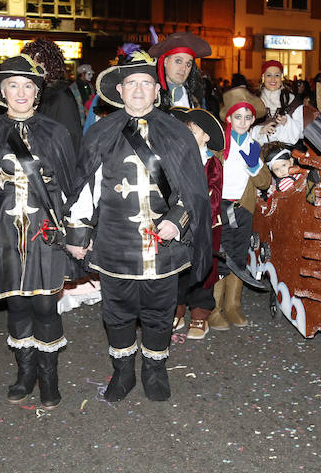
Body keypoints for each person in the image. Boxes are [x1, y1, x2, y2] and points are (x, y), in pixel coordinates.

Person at [64, 61, 211, 402]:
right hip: (116, 242)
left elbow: (194, 189)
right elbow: (86, 186)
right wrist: (78, 234)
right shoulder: (101, 132)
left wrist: (178, 219)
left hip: (164, 245)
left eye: (146, 83)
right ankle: (123, 371)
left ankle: (155, 370)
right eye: (132, 83)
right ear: (120, 90)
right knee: (116, 311)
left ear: (157, 91)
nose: (139, 89)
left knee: (160, 310)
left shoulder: (178, 133)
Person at [0, 54, 78, 406]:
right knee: (17, 306)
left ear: (36, 93)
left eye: (27, 86)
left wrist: (76, 236)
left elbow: (72, 188)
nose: (21, 92)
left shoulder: (56, 132)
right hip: (1, 234)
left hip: (45, 233)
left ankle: (49, 378)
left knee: (45, 305)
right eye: (13, 86)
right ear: (2, 92)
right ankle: (25, 374)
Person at [168, 106, 225, 340]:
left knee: (202, 270)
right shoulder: (176, 158)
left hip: (204, 226)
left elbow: (212, 195)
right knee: (178, 269)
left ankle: (200, 313)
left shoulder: (212, 164)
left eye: (192, 132)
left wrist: (191, 212)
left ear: (205, 137)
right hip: (178, 225)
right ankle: (177, 307)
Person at [217, 87, 271, 328]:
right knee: (218, 258)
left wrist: (254, 166)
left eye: (247, 117)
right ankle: (215, 308)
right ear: (228, 118)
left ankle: (233, 305)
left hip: (243, 209)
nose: (243, 121)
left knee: (238, 258)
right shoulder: (217, 145)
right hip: (219, 208)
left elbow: (265, 182)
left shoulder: (253, 146)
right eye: (237, 116)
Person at [21, 39, 82, 152]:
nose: (31, 68)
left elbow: (71, 139)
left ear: (49, 63)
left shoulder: (60, 94)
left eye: (36, 62)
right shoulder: (41, 91)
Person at [147, 31, 210, 109]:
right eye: (178, 61)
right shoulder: (150, 98)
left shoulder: (195, 100)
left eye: (188, 64)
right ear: (166, 62)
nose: (183, 68)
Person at [250, 60, 305, 146]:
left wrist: (287, 122)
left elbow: (301, 133)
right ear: (263, 77)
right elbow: (242, 128)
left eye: (277, 75)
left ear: (281, 77)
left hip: (285, 153)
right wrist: (260, 130)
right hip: (256, 151)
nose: (273, 79)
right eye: (269, 75)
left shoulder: (293, 101)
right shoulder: (253, 101)